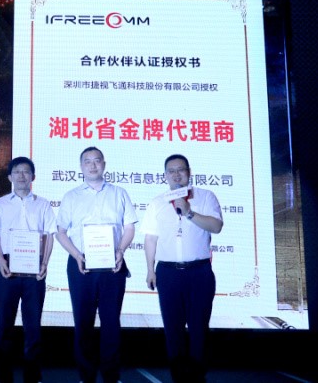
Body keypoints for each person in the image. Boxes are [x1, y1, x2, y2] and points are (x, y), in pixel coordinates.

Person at [55, 146, 138, 383]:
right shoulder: (71, 196)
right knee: (83, 322)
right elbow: (60, 232)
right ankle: (86, 375)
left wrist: (120, 250)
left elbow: (129, 227)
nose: (93, 165)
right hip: (81, 265)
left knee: (111, 322)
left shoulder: (119, 193)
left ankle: (111, 375)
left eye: (97, 160)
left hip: (113, 265)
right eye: (87, 161)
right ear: (81, 167)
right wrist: (76, 255)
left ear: (104, 164)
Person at [141, 154, 223, 383]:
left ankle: (198, 377)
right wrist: (150, 269)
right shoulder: (157, 202)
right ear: (165, 175)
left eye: (181, 170)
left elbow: (216, 226)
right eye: (171, 171)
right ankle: (178, 377)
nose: (176, 175)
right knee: (173, 328)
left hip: (199, 272)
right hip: (168, 273)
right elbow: (150, 239)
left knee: (199, 328)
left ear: (189, 172)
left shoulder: (206, 197)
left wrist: (188, 212)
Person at [0, 156, 57, 383]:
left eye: (26, 172)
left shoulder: (43, 204)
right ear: (10, 177)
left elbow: (49, 236)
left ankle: (32, 373)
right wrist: (1, 261)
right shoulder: (0, 204)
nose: (22, 176)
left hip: (35, 268)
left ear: (33, 177)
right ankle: (3, 373)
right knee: (4, 323)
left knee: (33, 324)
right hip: (7, 266)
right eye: (17, 172)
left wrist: (44, 264)